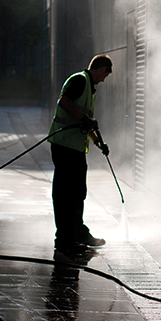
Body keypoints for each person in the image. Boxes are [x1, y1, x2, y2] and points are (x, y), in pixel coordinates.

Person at [48, 54, 112, 251]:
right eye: (106, 75)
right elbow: (64, 102)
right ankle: (66, 238)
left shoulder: (89, 89)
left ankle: (77, 234)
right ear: (102, 69)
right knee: (66, 194)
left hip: (74, 148)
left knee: (77, 193)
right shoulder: (79, 80)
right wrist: (85, 118)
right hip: (65, 146)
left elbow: (85, 123)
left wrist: (99, 142)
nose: (104, 79)